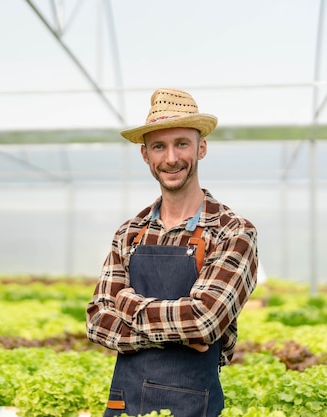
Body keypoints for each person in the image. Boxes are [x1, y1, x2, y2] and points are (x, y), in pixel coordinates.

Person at [85, 88, 258, 417]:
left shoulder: (232, 231)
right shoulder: (129, 233)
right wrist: (177, 333)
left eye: (182, 143)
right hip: (125, 401)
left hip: (193, 405)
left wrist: (129, 304)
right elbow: (97, 322)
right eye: (159, 147)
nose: (171, 158)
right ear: (145, 155)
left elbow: (205, 320)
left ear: (201, 148)